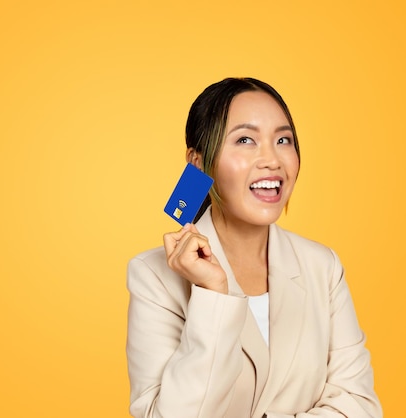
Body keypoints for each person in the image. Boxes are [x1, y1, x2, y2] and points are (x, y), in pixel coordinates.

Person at [126, 78, 382, 418]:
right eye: (245, 139)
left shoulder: (323, 267)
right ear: (198, 164)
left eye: (283, 139)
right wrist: (212, 293)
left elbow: (360, 405)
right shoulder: (153, 276)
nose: (272, 160)